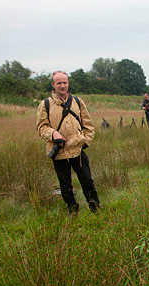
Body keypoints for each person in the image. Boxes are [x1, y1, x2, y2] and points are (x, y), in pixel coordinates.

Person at [36, 71, 100, 215]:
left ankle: (95, 208)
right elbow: (41, 127)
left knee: (87, 181)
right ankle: (72, 210)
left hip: (78, 150)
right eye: (59, 83)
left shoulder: (77, 101)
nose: (62, 85)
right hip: (59, 151)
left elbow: (88, 125)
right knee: (65, 185)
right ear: (53, 85)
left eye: (64, 82)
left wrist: (86, 141)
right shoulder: (45, 104)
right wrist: (53, 134)